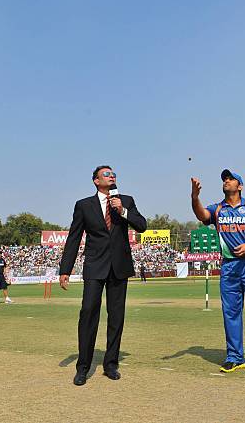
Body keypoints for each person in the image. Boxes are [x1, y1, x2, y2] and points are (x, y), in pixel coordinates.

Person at [59, 165, 147, 386]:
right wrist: (65, 270)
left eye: (114, 174)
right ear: (96, 181)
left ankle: (111, 365)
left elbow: (142, 225)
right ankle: (83, 367)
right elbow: (73, 237)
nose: (112, 176)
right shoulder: (83, 205)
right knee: (88, 312)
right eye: (106, 174)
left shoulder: (125, 200)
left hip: (119, 266)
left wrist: (123, 211)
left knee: (116, 317)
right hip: (95, 266)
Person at [191, 169, 245, 374]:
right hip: (229, 266)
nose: (226, 181)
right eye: (224, 179)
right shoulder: (218, 209)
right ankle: (235, 357)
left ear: (240, 186)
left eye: (231, 179)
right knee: (231, 313)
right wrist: (195, 196)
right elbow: (202, 215)